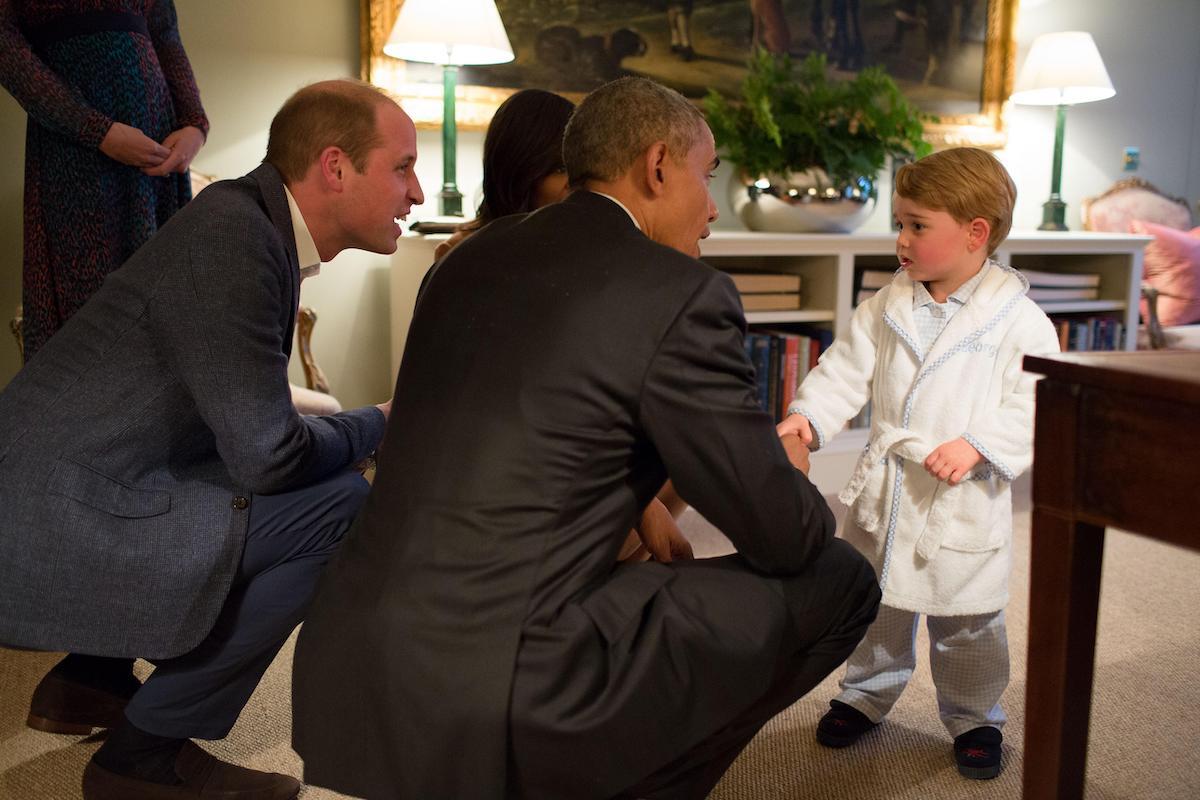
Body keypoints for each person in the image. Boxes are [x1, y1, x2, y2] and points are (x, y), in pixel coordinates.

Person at [292, 76, 881, 800]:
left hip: (348, 660)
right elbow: (782, 536)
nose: (711, 209)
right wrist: (789, 473)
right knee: (840, 578)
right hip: (504, 684)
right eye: (708, 176)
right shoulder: (680, 294)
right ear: (658, 166)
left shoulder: (465, 258)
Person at [0, 79, 423, 800]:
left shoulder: (245, 222)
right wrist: (382, 420)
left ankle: (90, 680)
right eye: (403, 166)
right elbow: (270, 457)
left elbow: (241, 427)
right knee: (341, 507)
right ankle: (143, 756)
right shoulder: (236, 238)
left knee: (299, 485)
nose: (415, 193)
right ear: (334, 166)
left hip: (74, 484)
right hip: (51, 516)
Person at [778, 147, 1061, 780]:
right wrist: (809, 418)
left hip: (961, 497)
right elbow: (844, 368)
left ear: (975, 232)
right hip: (890, 489)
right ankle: (865, 693)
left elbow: (1035, 399)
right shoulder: (887, 304)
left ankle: (976, 716)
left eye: (917, 225)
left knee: (968, 621)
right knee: (877, 604)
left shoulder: (1019, 321)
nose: (901, 240)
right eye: (899, 224)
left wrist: (980, 444)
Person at [0, 0, 208, 359]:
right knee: (89, 312)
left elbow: (165, 34)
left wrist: (194, 124)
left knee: (164, 304)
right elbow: (5, 45)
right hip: (76, 150)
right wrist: (95, 130)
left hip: (157, 149)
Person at [434, 87, 575, 261]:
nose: (577, 183)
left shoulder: (587, 245)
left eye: (579, 167)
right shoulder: (460, 253)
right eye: (561, 169)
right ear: (521, 170)